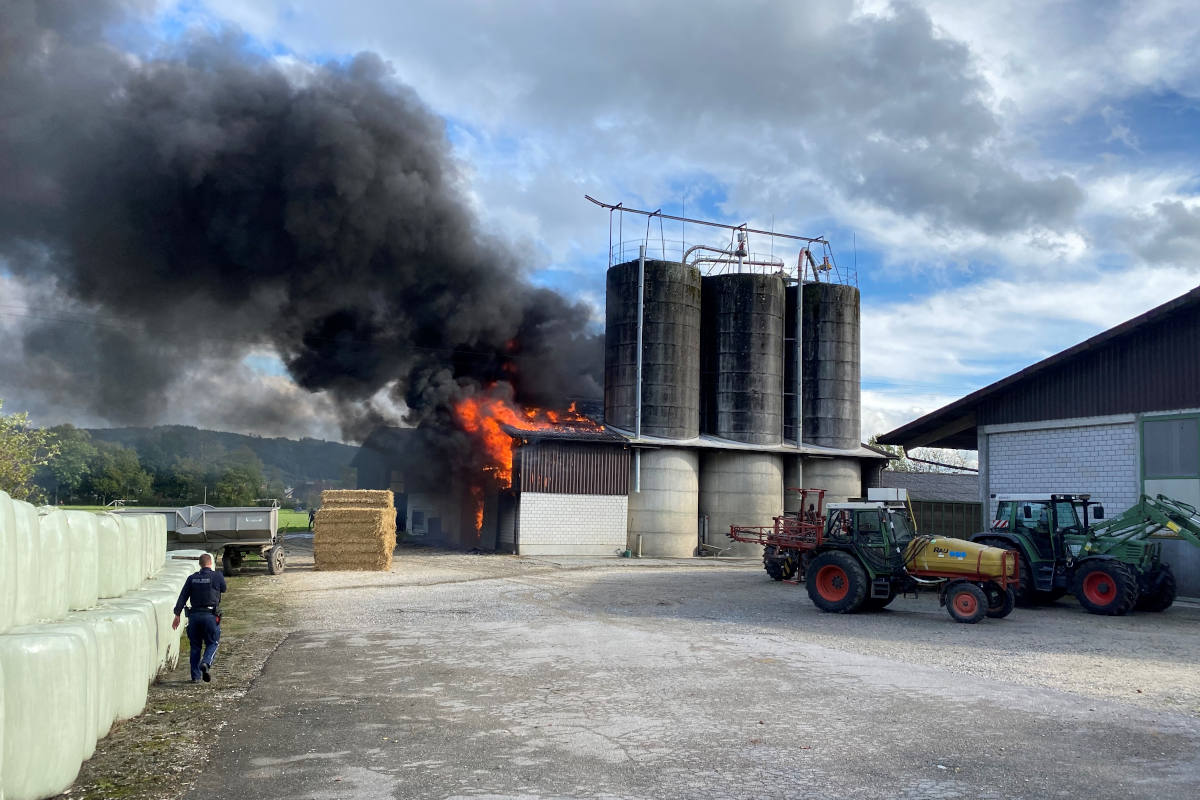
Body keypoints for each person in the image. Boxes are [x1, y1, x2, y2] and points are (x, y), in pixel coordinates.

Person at [172, 553, 227, 683]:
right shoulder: (217, 576)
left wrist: (177, 614)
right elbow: (224, 589)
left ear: (200, 565)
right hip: (210, 616)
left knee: (195, 646)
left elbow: (182, 597)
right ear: (211, 564)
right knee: (212, 642)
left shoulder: (192, 578)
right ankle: (206, 662)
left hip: (194, 616)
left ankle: (195, 677)